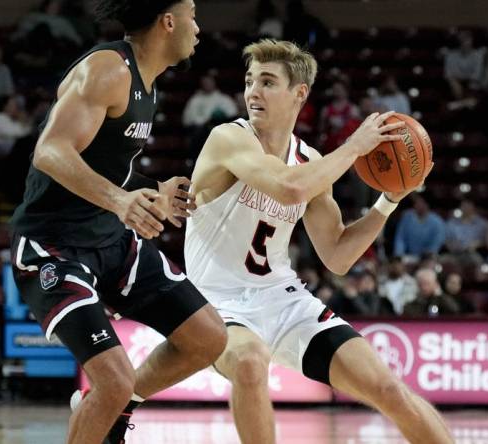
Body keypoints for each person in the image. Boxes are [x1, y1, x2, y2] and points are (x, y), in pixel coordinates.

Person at [184, 39, 452, 444]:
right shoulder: (229, 138)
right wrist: (354, 147)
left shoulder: (309, 161)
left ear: (299, 94)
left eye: (268, 82)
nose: (253, 91)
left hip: (281, 298)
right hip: (215, 300)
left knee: (388, 389)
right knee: (251, 363)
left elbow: (338, 256)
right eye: (250, 80)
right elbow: (289, 189)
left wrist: (388, 201)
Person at [8, 2, 227, 443]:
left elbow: (109, 167)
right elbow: (50, 151)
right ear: (168, 20)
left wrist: (154, 189)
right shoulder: (109, 69)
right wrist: (121, 201)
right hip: (55, 246)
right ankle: (109, 403)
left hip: (108, 236)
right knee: (111, 378)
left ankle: (114, 411)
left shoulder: (147, 82)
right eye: (193, 14)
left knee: (208, 339)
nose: (198, 27)